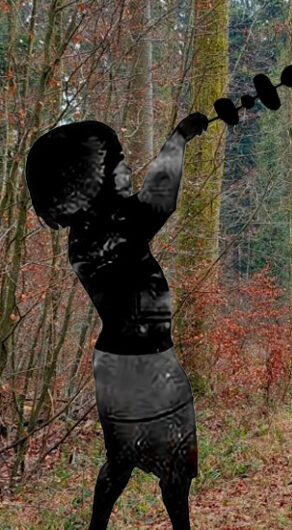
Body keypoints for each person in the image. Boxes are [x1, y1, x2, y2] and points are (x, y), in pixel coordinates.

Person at [25, 113, 209, 530]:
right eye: (118, 165)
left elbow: (146, 207)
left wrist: (179, 140)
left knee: (165, 465)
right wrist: (178, 139)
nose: (127, 170)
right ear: (88, 181)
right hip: (132, 366)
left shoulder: (95, 230)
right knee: (128, 462)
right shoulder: (96, 235)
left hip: (153, 359)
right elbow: (158, 203)